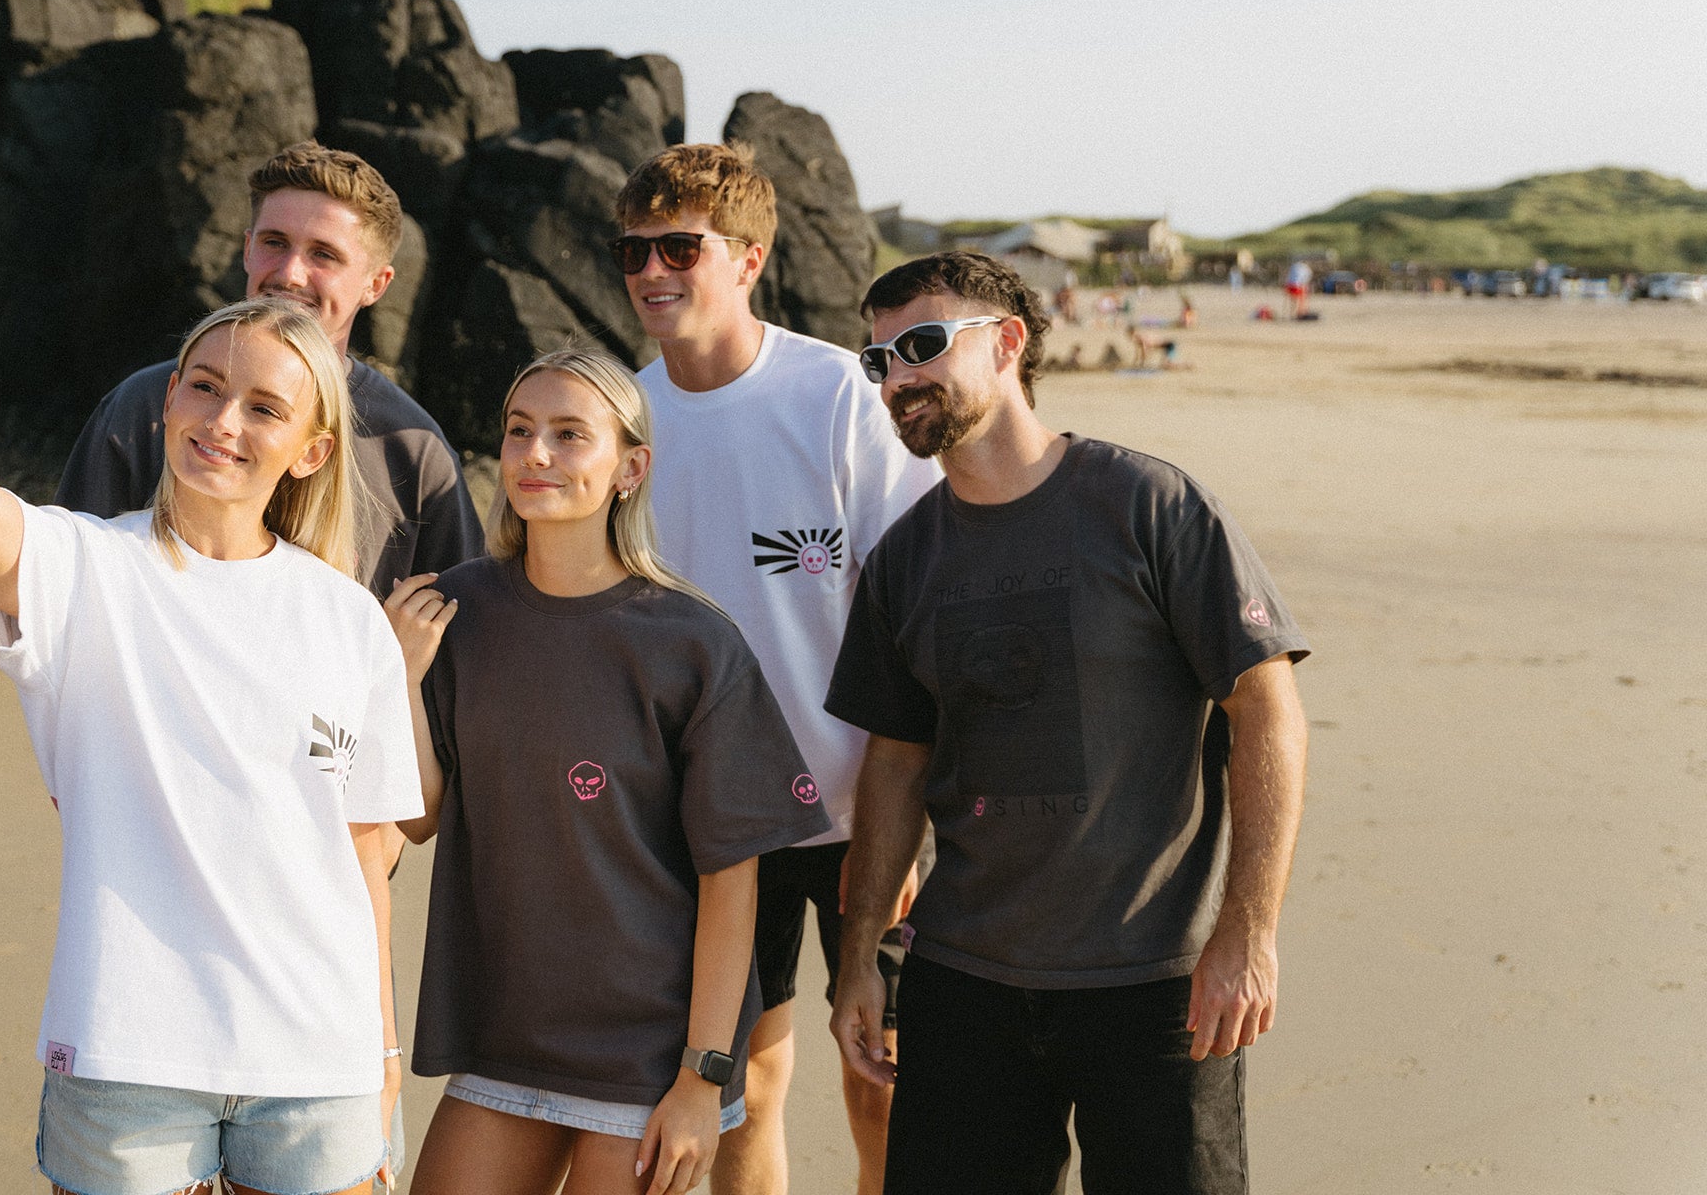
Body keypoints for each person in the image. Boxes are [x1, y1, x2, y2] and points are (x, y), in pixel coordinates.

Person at [0, 215, 420, 1195]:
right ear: (165, 405)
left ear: (313, 450)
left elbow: (365, 858)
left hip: (317, 1063)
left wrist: (382, 1054)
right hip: (129, 1054)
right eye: (203, 385)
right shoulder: (80, 566)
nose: (223, 421)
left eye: (263, 407)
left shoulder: (349, 621)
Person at [824, 251, 1310, 1195]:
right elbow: (893, 764)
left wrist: (1248, 932)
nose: (899, 378)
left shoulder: (1147, 505)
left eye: (923, 345)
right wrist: (861, 959)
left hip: (1157, 980)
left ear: (1007, 344)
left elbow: (1269, 712)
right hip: (965, 982)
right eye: (878, 360)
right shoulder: (902, 561)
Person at [384, 348, 830, 1195]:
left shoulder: (695, 643)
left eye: (567, 435)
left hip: (648, 1051)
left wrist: (701, 1078)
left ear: (631, 467)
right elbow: (418, 816)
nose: (535, 454)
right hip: (503, 1028)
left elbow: (733, 886)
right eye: (519, 431)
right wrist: (401, 680)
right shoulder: (454, 613)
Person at [612, 144, 939, 1195]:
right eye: (633, 250)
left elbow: (911, 617)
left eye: (679, 246)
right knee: (740, 1077)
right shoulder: (621, 414)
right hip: (707, 823)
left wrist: (902, 822)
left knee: (880, 1065)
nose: (652, 270)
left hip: (857, 814)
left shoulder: (840, 394)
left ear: (748, 258)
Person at [58, 141, 482, 596]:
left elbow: (460, 634)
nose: (290, 273)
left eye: (324, 255)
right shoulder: (141, 408)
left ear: (375, 284)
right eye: (274, 243)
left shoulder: (414, 451)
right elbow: (68, 587)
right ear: (246, 249)